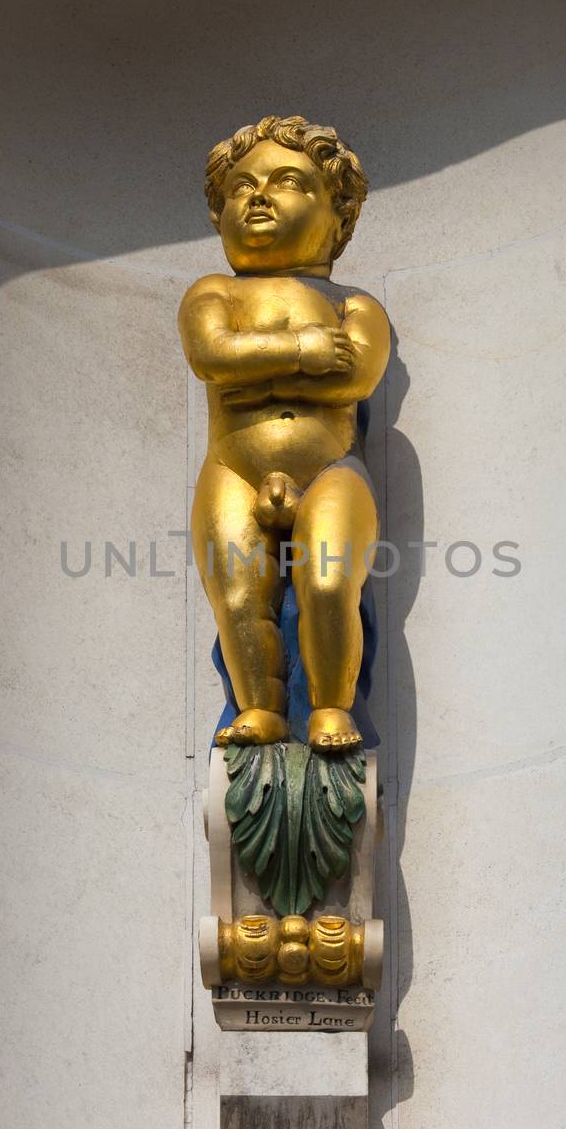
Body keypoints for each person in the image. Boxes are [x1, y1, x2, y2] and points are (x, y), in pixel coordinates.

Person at [178, 115, 390, 751]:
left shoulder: (357, 305)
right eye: (241, 188)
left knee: (328, 582)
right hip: (232, 472)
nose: (259, 196)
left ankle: (331, 707)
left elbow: (356, 376)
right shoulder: (211, 291)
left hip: (329, 470)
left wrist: (255, 372)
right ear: (220, 215)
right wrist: (303, 350)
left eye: (287, 181)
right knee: (238, 594)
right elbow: (211, 357)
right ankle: (261, 708)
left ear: (339, 215)